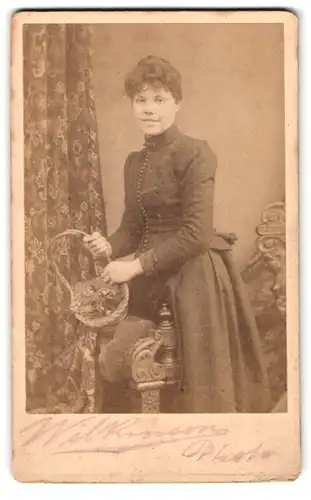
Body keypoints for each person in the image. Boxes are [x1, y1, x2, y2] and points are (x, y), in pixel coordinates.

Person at [84, 55, 272, 413]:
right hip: (149, 276)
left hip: (193, 278)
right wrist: (109, 244)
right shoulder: (134, 163)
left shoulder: (196, 153)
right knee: (124, 363)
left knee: (196, 389)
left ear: (177, 104)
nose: (149, 109)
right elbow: (134, 227)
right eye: (141, 100)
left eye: (160, 99)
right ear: (132, 106)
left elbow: (197, 233)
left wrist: (135, 266)